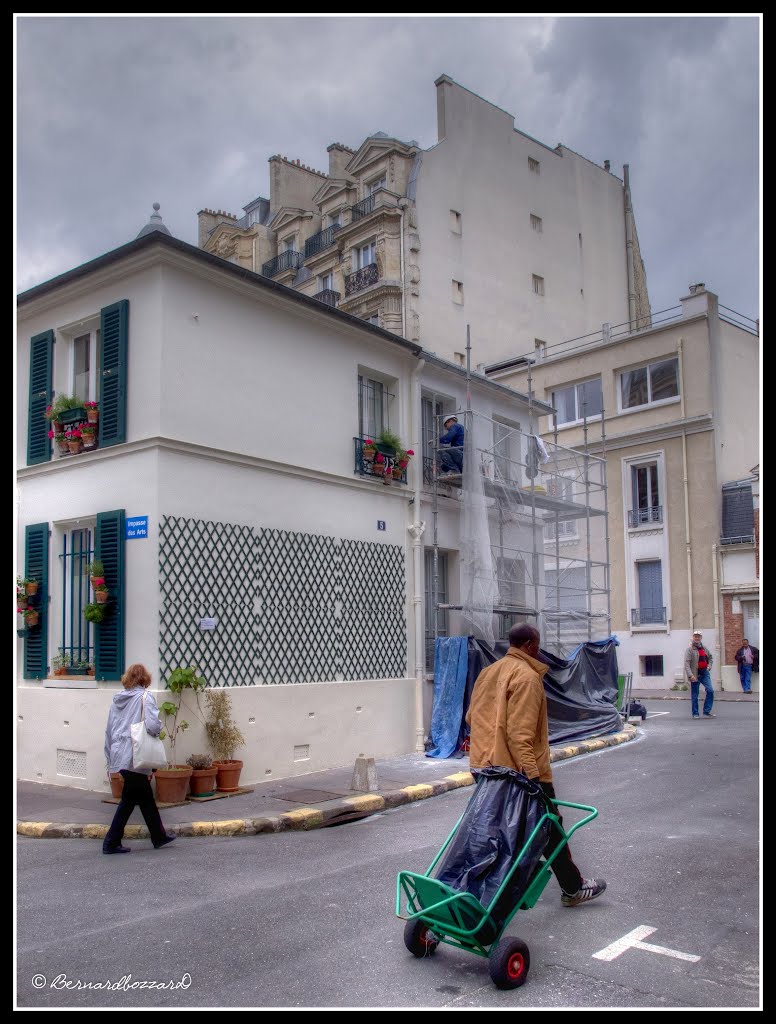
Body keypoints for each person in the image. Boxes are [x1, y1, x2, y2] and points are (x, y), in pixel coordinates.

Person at [465, 623, 607, 907]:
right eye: (538, 644)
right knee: (549, 826)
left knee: (494, 831)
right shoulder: (527, 677)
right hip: (520, 773)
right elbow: (521, 736)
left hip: (486, 767)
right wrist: (534, 778)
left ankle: (477, 890)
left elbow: (471, 717)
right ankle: (572, 888)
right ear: (530, 645)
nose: (539, 650)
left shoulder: (488, 672)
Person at [103, 663, 176, 854]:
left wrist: (110, 757)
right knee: (131, 800)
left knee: (142, 798)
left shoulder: (116, 700)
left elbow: (109, 730)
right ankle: (110, 842)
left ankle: (158, 836)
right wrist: (159, 726)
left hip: (120, 753)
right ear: (145, 679)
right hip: (135, 754)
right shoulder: (146, 697)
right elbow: (152, 726)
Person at [684, 630, 715, 719]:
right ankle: (695, 713)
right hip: (695, 673)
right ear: (693, 638)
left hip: (705, 672)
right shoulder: (689, 650)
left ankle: (706, 711)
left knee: (710, 690)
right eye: (695, 636)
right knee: (695, 694)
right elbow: (686, 663)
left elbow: (710, 657)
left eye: (698, 636)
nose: (697, 638)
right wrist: (690, 675)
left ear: (701, 638)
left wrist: (709, 665)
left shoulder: (704, 648)